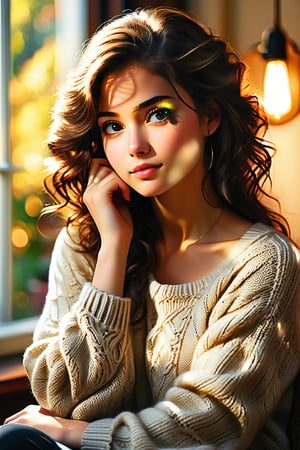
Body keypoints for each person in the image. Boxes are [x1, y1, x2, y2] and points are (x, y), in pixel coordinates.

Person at [1, 6, 300, 450]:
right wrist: (113, 252)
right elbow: (60, 395)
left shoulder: (265, 262)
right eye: (113, 126)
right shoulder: (88, 241)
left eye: (157, 114)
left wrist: (82, 434)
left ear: (210, 117)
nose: (135, 147)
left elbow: (213, 424)